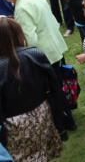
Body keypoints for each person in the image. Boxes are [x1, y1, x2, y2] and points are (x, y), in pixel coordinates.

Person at [0, 0, 76, 136]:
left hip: (43, 54)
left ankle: (62, 124)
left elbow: (29, 39)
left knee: (51, 91)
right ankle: (67, 121)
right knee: (57, 87)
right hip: (53, 46)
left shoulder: (22, 6)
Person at [0, 17, 63, 160]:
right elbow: (54, 85)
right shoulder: (35, 53)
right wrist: (57, 114)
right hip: (41, 113)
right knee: (41, 152)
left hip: (14, 124)